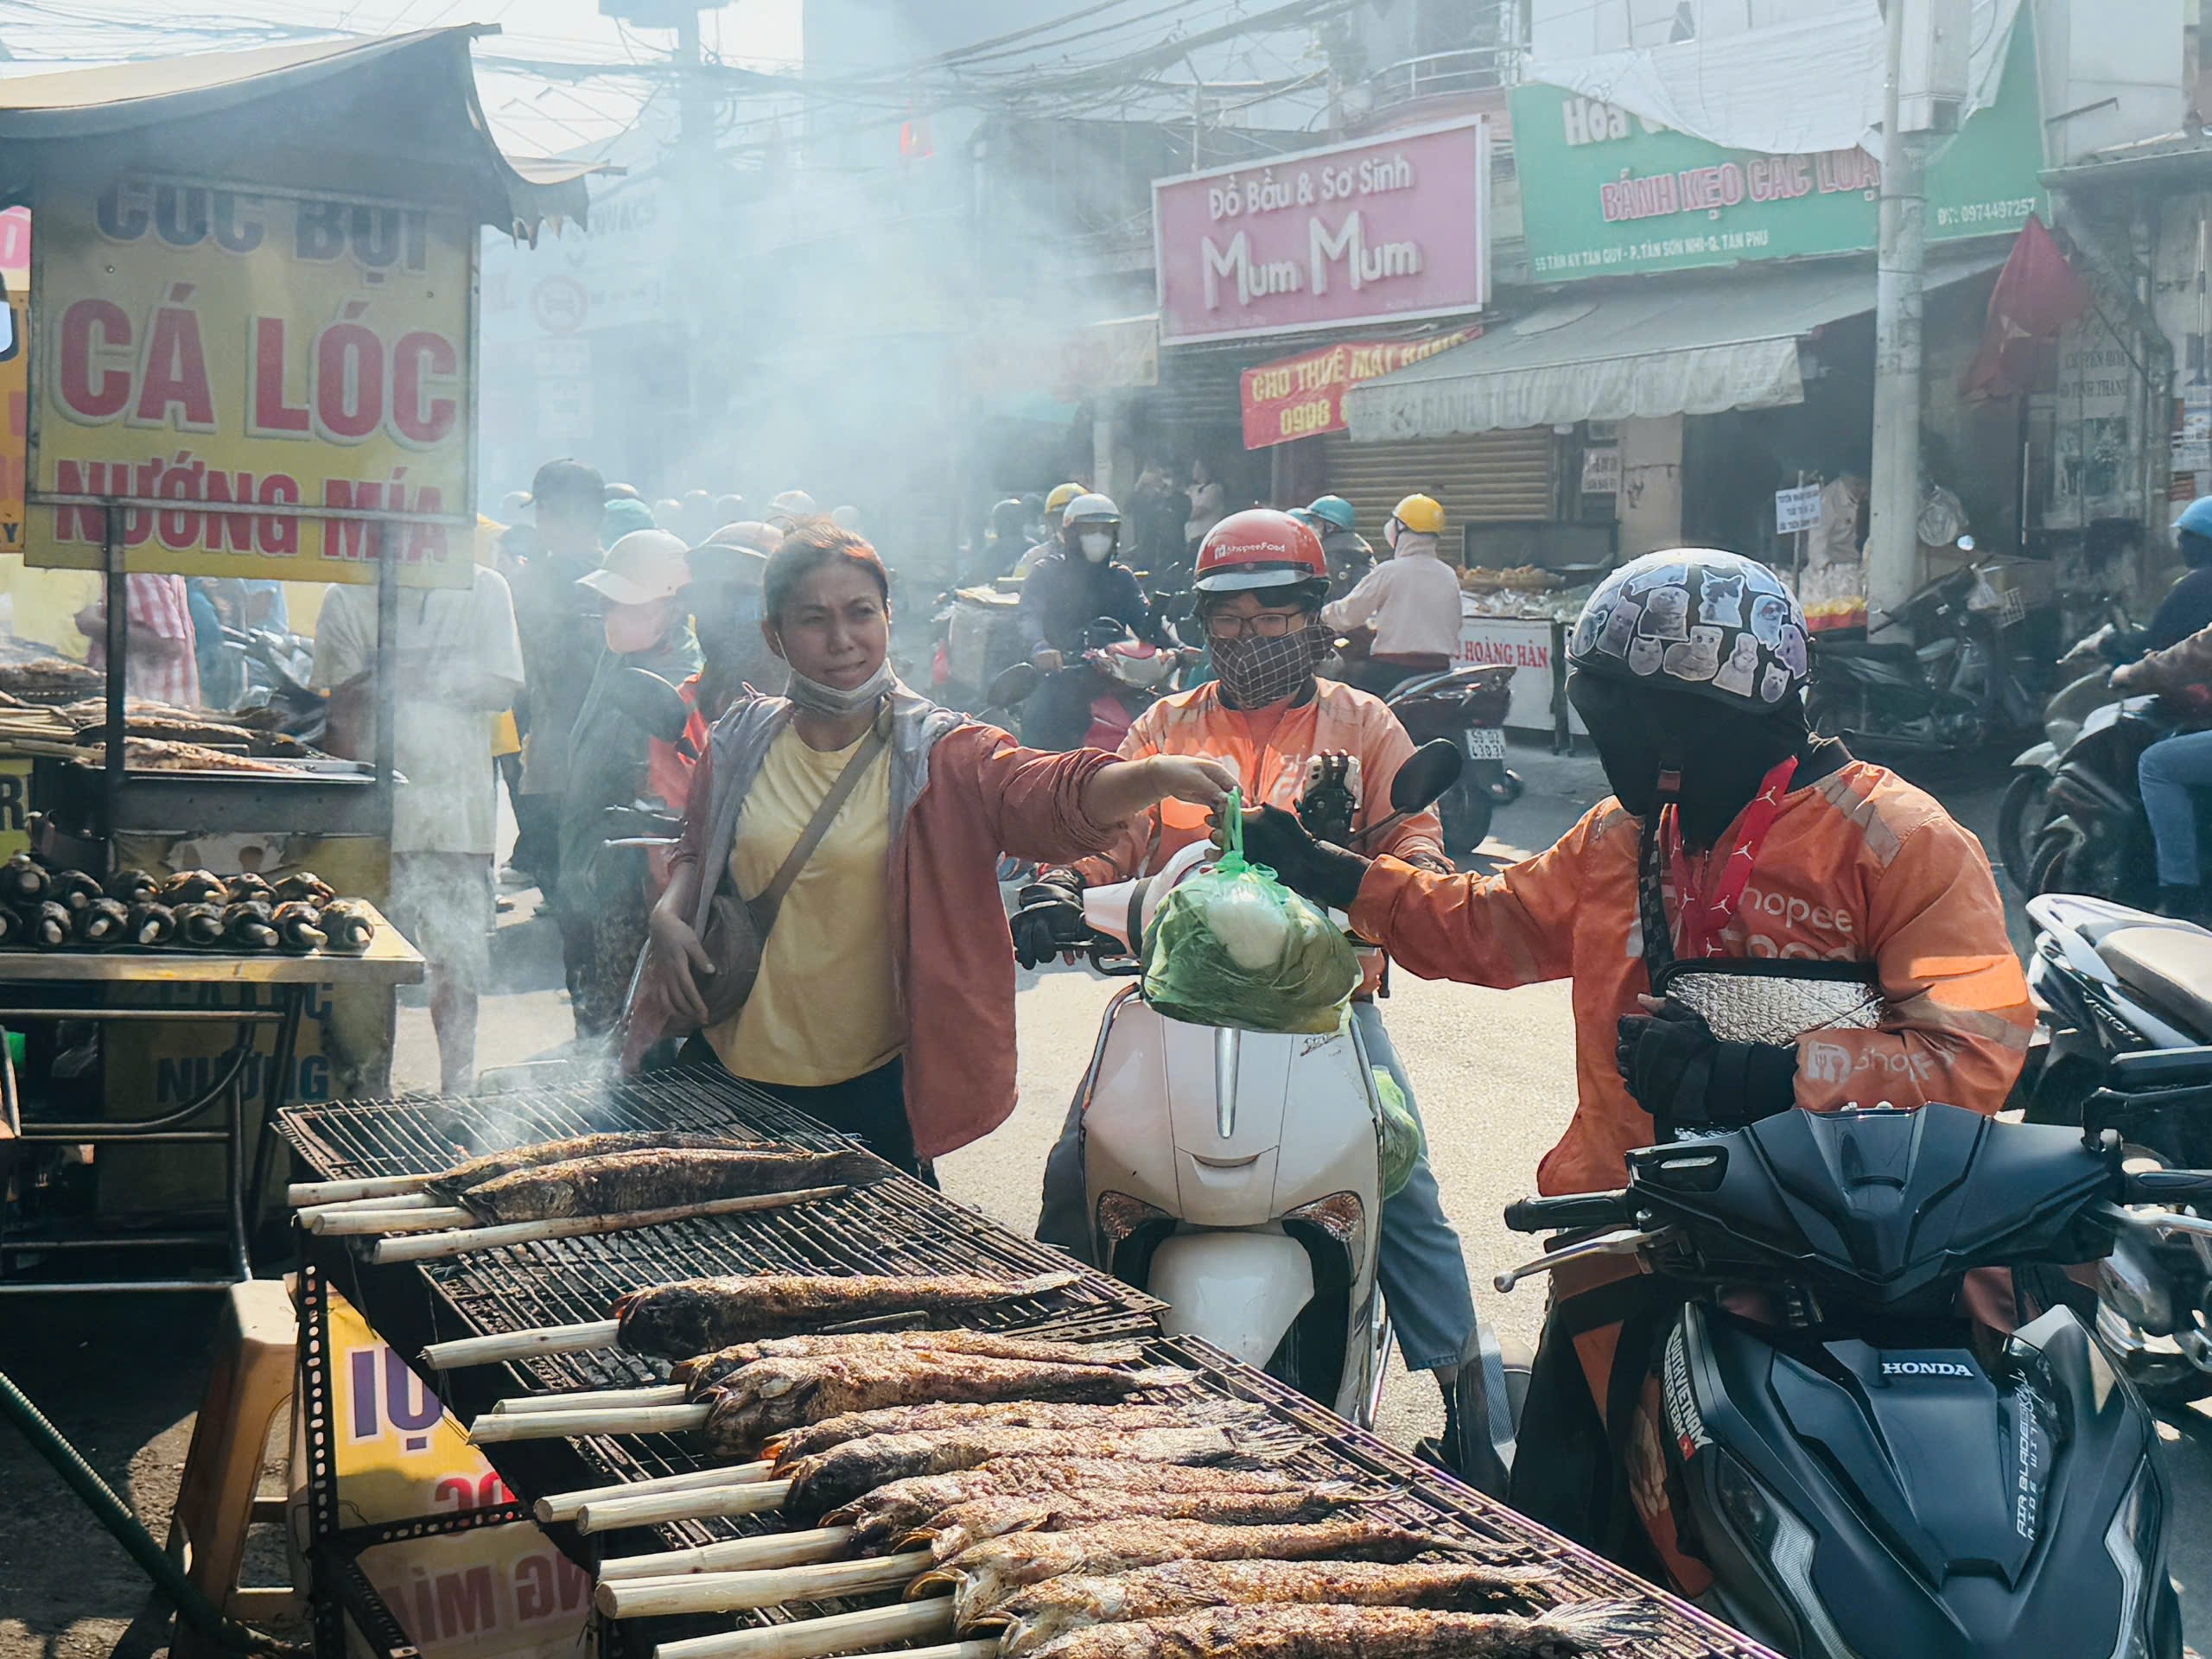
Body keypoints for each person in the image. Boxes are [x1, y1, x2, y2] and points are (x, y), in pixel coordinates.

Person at [1228, 547, 2033, 1592]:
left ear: (1679, 720)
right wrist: (1326, 872)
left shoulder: (1901, 843)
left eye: (1611, 712)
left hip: (1824, 1276)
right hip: (1619, 1253)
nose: (1603, 736)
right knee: (1566, 1555)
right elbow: (1491, 928)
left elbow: (1971, 1054)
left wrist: (1762, 1076)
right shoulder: (1622, 836)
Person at [1018, 507, 1499, 1489]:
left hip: (1326, 1008)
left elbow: (1412, 841)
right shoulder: (1167, 726)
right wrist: (1062, 882)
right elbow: (1116, 829)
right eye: (1225, 616)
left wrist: (1390, 881)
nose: (1248, 633)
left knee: (1400, 1187)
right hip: (1172, 1009)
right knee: (1078, 1170)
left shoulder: (1364, 725)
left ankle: (1470, 1413)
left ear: (1314, 613)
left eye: (1272, 611)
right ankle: (1045, 1374)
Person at [626, 519, 1235, 1177]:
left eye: (861, 613)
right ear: (775, 634)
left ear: (888, 616)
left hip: (873, 1089)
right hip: (733, 1075)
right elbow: (699, 844)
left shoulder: (943, 755)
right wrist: (670, 910)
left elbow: (1044, 794)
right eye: (813, 619)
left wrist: (1151, 776)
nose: (842, 640)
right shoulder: (741, 738)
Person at [314, 560, 524, 1094]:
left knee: (457, 961)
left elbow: (503, 686)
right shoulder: (347, 595)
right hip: (372, 816)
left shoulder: (484, 586)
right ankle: (367, 1091)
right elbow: (341, 712)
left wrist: (415, 674)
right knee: (366, 963)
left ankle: (457, 1090)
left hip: (458, 814)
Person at [556, 529, 702, 1039]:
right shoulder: (618, 656)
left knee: (627, 1034)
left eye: (621, 603)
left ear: (671, 605)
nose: (608, 613)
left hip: (637, 878)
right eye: (606, 602)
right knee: (590, 1012)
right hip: (587, 861)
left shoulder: (685, 678)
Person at [510, 459, 607, 889]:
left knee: (572, 898)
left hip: (558, 764)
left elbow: (522, 676)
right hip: (610, 766)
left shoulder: (536, 580)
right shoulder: (623, 576)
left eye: (543, 511)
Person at [1017, 493, 1165, 751]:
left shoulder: (1121, 578)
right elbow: (1029, 616)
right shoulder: (1046, 572)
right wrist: (1041, 648)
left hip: (1118, 678)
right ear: (1072, 534)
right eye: (1090, 530)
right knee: (1038, 724)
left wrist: (1179, 648)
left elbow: (1148, 625)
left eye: (1105, 530)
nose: (1099, 537)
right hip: (1062, 676)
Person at [1323, 493, 1463, 697]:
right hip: (1439, 672)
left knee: (1340, 696)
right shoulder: (1448, 574)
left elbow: (1349, 614)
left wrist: (1320, 617)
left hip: (1390, 672)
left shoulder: (1390, 571)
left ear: (1401, 529)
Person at [76, 574, 199, 707]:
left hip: (146, 706)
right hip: (154, 705)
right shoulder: (147, 569)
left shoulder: (135, 575)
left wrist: (94, 625)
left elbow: (172, 646)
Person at [1306, 494, 1375, 598]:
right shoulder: (1358, 547)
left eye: (1316, 522)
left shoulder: (1331, 555)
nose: (1311, 526)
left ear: (1330, 527)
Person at [1014, 483, 1086, 579]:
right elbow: (1016, 587)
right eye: (1061, 517)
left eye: (1078, 518)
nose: (1070, 524)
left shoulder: (1103, 556)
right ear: (1050, 520)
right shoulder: (1034, 557)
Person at [1184, 457, 1225, 551]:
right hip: (1190, 540)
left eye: (1196, 467)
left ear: (1204, 469)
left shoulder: (1214, 489)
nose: (1193, 470)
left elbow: (1197, 513)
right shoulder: (1191, 489)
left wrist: (1178, 515)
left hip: (1205, 539)